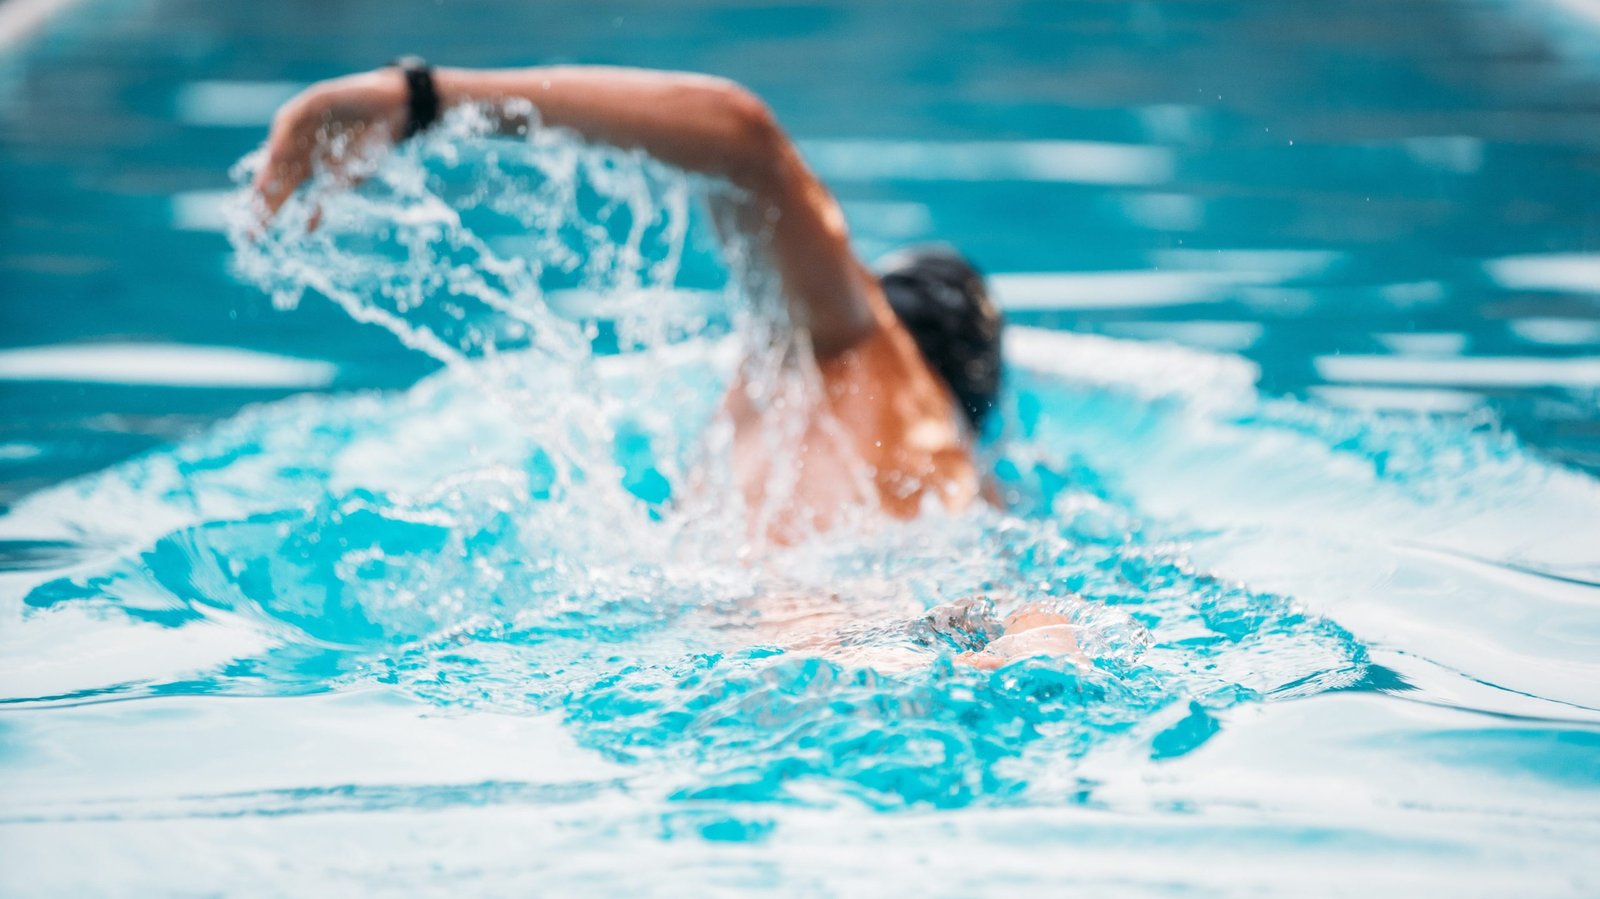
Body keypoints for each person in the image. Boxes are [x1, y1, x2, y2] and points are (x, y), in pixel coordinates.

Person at [254, 61, 1003, 544]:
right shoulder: (963, 484)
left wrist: (423, 97)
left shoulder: (833, 349)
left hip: (781, 645)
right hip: (910, 635)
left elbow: (745, 138)